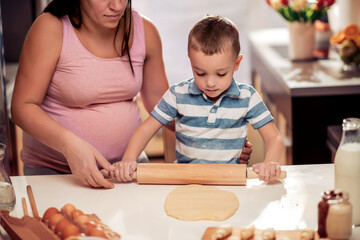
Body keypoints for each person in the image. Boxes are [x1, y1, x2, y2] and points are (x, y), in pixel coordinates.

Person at [11, 1, 252, 188]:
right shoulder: (50, 28)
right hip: (57, 173)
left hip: (128, 169)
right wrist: (70, 145)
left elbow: (161, 104)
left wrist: (216, 139)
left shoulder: (145, 31)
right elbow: (23, 106)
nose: (117, 6)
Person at [111, 15, 285, 183]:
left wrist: (270, 162)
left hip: (230, 180)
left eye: (221, 73)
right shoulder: (177, 95)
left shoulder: (248, 97)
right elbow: (146, 130)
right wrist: (128, 158)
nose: (210, 82)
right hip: (185, 181)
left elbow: (274, 138)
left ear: (236, 63)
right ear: (190, 61)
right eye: (200, 73)